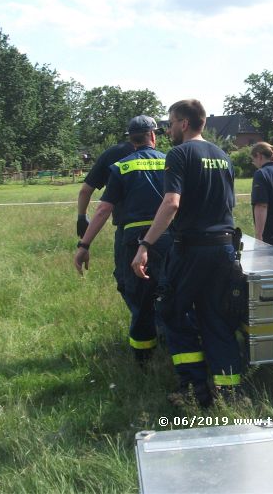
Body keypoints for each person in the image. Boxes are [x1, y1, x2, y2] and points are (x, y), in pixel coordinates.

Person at [131, 99, 241, 407]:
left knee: (174, 313)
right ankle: (229, 390)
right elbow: (228, 205)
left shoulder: (178, 154)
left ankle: (194, 390)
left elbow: (171, 203)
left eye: (170, 122)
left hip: (192, 249)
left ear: (183, 123)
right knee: (216, 316)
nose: (167, 129)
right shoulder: (223, 156)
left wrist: (145, 245)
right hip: (224, 248)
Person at [74, 116, 169, 364]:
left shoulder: (121, 166)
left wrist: (84, 243)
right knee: (169, 288)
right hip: (167, 236)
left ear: (130, 138)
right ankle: (171, 340)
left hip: (132, 238)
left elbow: (103, 209)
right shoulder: (171, 162)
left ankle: (144, 359)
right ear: (153, 136)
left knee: (136, 292)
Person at [76, 132, 135, 307]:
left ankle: (147, 326)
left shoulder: (113, 155)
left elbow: (86, 191)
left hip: (128, 230)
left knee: (126, 281)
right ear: (153, 137)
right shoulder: (163, 157)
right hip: (162, 230)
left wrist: (82, 217)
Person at [250, 142, 273, 246]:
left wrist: (259, 235)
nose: (254, 163)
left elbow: (261, 205)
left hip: (271, 232)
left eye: (253, 160)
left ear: (259, 156)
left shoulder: (261, 173)